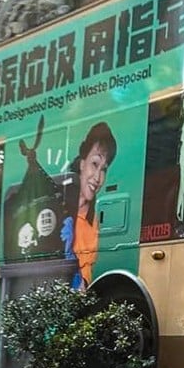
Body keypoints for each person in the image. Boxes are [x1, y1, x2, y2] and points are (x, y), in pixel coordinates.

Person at [61, 122, 117, 291]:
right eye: (95, 164)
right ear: (82, 163)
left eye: (104, 169)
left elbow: (86, 274)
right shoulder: (57, 206)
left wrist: (81, 285)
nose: (98, 177)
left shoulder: (93, 222)